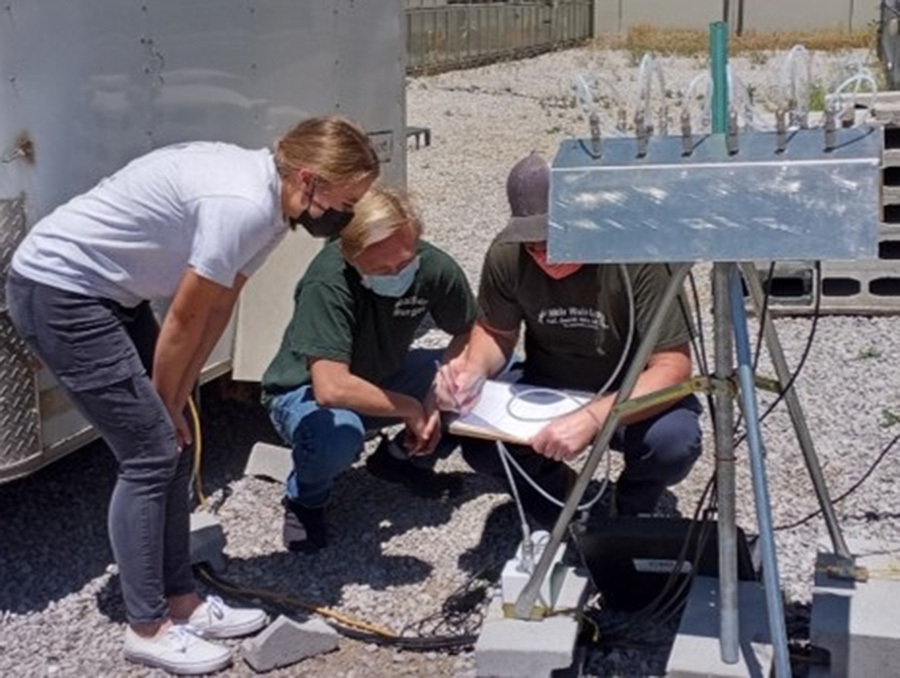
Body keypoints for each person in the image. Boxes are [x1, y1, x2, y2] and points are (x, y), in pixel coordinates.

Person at [5, 116, 379, 675]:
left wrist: (180, 397)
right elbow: (183, 315)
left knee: (171, 442)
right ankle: (148, 626)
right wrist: (166, 402)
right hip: (62, 290)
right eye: (347, 200)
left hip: (110, 291)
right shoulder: (242, 204)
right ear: (309, 180)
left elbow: (222, 304)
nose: (347, 214)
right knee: (151, 452)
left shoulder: (278, 210)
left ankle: (183, 600)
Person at [434, 152, 702, 525]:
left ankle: (632, 504)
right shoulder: (506, 255)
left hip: (631, 391)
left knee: (672, 444)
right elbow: (496, 332)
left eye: (555, 240)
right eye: (533, 245)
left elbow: (673, 367)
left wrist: (593, 418)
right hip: (550, 384)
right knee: (481, 445)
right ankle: (563, 503)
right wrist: (471, 371)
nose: (545, 256)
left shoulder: (641, 256)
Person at [261, 185, 477, 554]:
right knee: (337, 434)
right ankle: (305, 499)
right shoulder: (328, 281)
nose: (397, 273)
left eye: (405, 262)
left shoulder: (434, 267)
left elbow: (470, 333)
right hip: (306, 389)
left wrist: (435, 393)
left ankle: (401, 460)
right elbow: (331, 389)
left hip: (382, 375)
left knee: (489, 374)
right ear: (349, 254)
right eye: (381, 268)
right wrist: (412, 408)